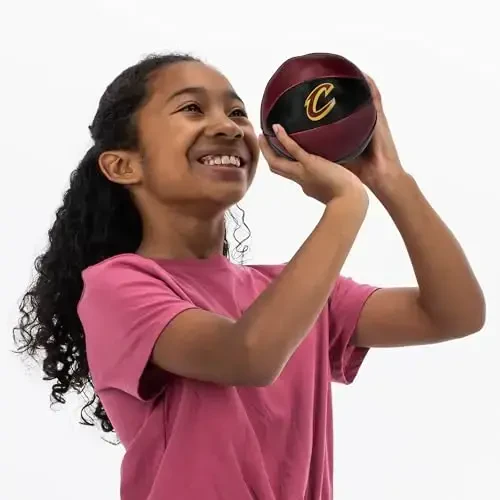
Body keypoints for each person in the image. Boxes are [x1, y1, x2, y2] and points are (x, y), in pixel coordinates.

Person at [13, 52, 485, 500]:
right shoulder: (117, 287)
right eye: (192, 108)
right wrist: (345, 206)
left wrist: (389, 179)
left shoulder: (291, 292)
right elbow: (249, 355)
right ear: (123, 165)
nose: (228, 126)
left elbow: (454, 314)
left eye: (238, 112)